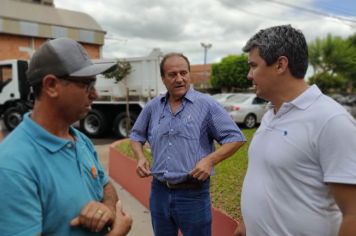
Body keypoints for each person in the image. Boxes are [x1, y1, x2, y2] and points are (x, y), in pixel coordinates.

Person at [0, 38, 132, 236]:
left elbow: (106, 186)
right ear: (51, 85)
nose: (95, 94)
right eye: (87, 84)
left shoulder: (80, 139)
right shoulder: (12, 167)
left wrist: (107, 209)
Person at [235, 25, 356, 236]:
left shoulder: (331, 120)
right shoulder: (271, 114)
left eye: (253, 66)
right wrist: (248, 222)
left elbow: (352, 213)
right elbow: (265, 174)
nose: (249, 75)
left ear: (280, 64)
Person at [130, 52, 246, 236]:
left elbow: (235, 137)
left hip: (193, 194)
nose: (179, 79)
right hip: (159, 191)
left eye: (183, 73)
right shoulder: (153, 106)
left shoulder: (206, 105)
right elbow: (136, 135)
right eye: (172, 74)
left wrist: (209, 161)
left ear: (189, 74)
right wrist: (140, 157)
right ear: (163, 78)